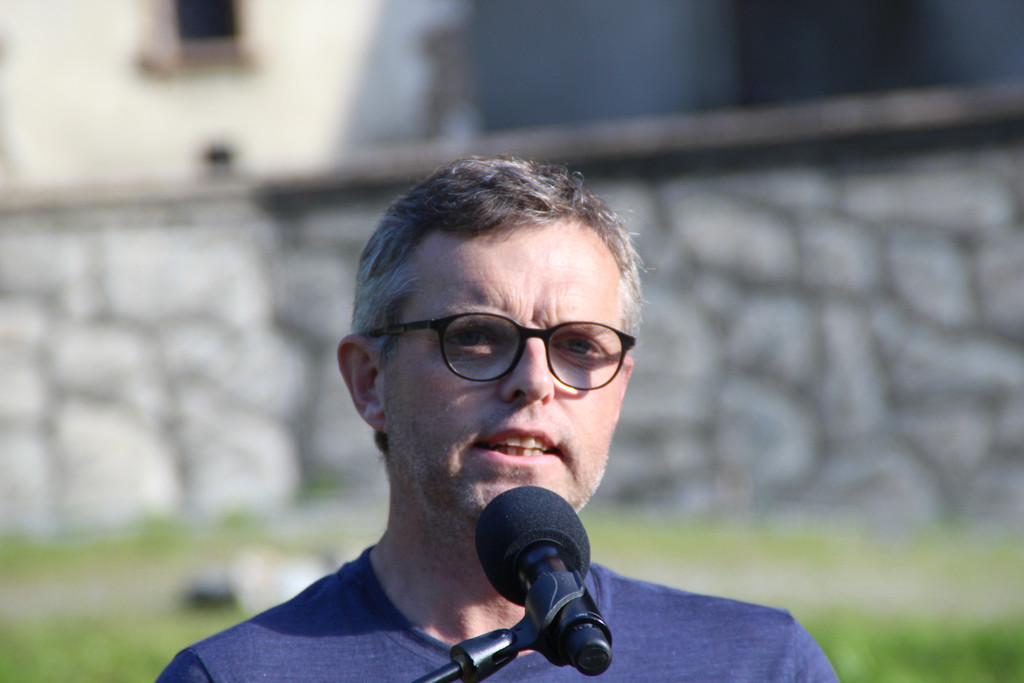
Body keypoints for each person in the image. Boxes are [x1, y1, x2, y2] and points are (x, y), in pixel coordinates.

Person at [157, 156, 837, 681]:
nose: (535, 381)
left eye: (579, 346)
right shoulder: (234, 677)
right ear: (370, 381)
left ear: (618, 391)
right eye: (477, 336)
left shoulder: (760, 665)